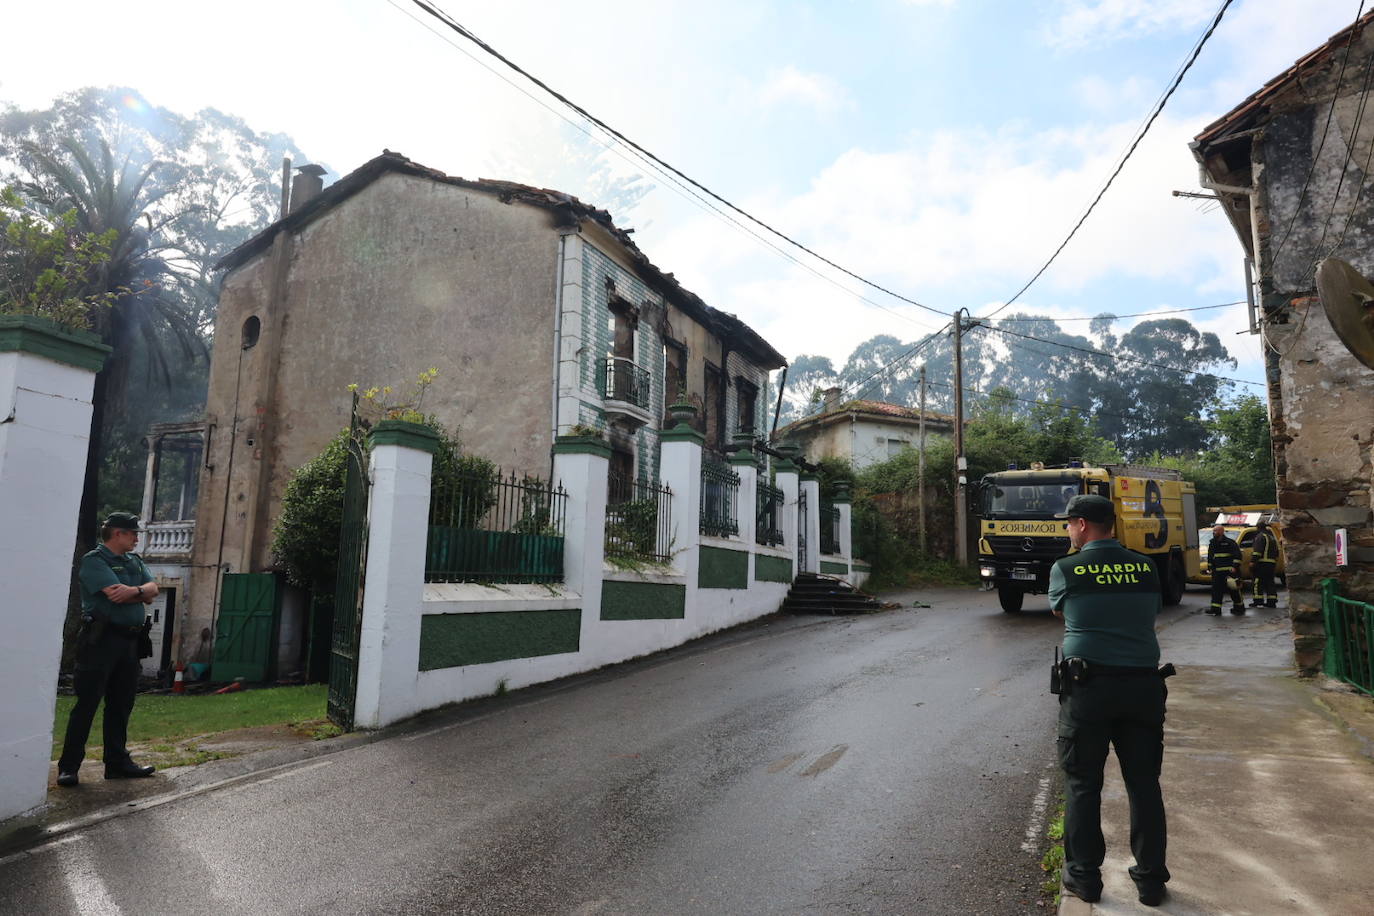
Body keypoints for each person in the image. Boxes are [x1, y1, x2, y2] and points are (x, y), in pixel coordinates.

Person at [1049, 494, 1170, 908]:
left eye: (1069, 524)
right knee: (1144, 784)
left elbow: (1065, 615)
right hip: (1143, 687)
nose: (1068, 530)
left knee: (1083, 785)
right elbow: (1148, 611)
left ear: (1082, 524)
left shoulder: (1066, 568)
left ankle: (1084, 879)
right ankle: (1151, 881)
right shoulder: (1145, 565)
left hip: (1090, 689)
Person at [56, 513, 160, 787]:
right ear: (117, 533)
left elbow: (154, 589)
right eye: (132, 533)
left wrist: (135, 590)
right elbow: (116, 593)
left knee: (121, 704)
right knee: (87, 704)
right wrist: (140, 593)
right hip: (100, 641)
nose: (137, 537)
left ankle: (117, 763)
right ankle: (69, 767)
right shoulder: (95, 561)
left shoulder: (134, 561)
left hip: (129, 642)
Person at [1205, 524, 1245, 616]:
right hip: (1218, 572)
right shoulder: (1212, 543)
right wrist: (1210, 568)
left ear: (1222, 532)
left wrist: (1234, 567)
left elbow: (1237, 556)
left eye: (1216, 531)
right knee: (1216, 591)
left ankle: (1239, 608)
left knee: (1234, 590)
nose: (1214, 532)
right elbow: (1210, 557)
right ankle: (1215, 609)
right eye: (1213, 531)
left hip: (1230, 572)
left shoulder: (1230, 543)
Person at [1250, 520, 1280, 609]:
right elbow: (1277, 552)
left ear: (1258, 528)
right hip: (1271, 564)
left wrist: (1253, 562)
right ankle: (1272, 602)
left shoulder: (1260, 536)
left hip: (1262, 563)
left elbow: (1257, 552)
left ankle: (1258, 601)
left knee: (1257, 582)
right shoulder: (1272, 537)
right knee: (1270, 582)